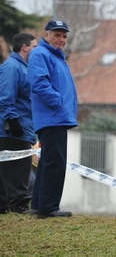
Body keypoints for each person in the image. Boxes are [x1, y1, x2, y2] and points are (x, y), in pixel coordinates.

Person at [27, 20, 78, 219]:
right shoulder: (41, 53)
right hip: (52, 116)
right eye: (57, 35)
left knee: (48, 160)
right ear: (46, 34)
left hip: (55, 116)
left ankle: (39, 205)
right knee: (55, 162)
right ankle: (49, 207)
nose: (61, 39)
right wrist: (58, 103)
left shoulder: (56, 57)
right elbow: (39, 83)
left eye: (64, 36)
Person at [0, 33, 38, 214]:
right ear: (25, 47)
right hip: (13, 130)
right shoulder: (12, 67)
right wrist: (13, 121)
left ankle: (7, 206)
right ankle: (18, 205)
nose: (37, 51)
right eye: (35, 47)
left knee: (16, 169)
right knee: (17, 169)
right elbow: (6, 97)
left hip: (22, 128)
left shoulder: (24, 67)